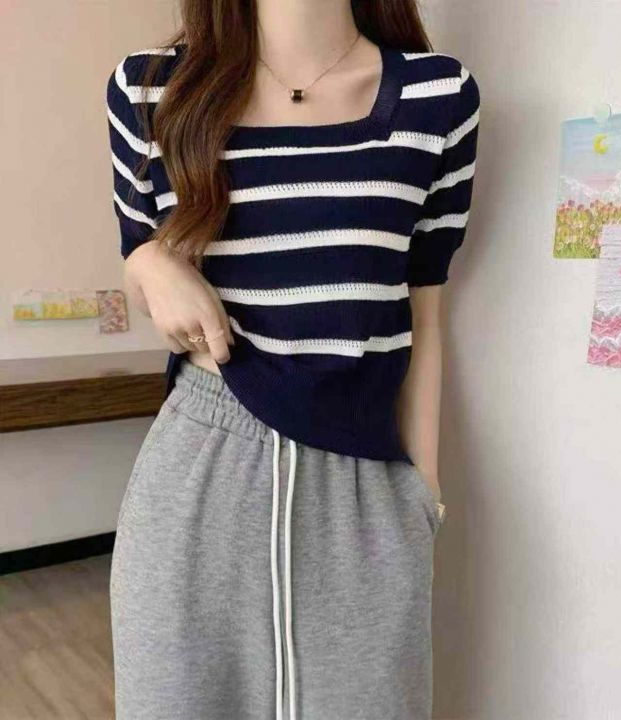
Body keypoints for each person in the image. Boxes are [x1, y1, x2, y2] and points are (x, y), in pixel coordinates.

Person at [105, 0, 480, 717]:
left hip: (365, 476)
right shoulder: (150, 87)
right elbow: (140, 258)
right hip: (199, 463)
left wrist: (423, 490)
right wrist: (147, 261)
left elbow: (424, 306)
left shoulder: (438, 95)